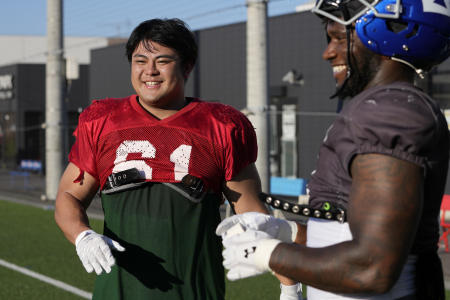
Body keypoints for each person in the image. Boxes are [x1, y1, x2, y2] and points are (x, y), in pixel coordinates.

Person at [216, 0, 450, 299]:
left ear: (390, 32)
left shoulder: (388, 112)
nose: (328, 53)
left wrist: (269, 253)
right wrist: (291, 233)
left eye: (340, 38)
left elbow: (372, 267)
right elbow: (351, 227)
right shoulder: (390, 106)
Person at [54, 18, 276, 300]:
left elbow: (254, 215)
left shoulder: (222, 125)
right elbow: (68, 196)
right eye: (140, 60)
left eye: (162, 61)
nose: (150, 71)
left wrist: (289, 285)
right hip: (118, 293)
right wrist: (82, 235)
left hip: (196, 292)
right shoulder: (102, 121)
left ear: (187, 66)